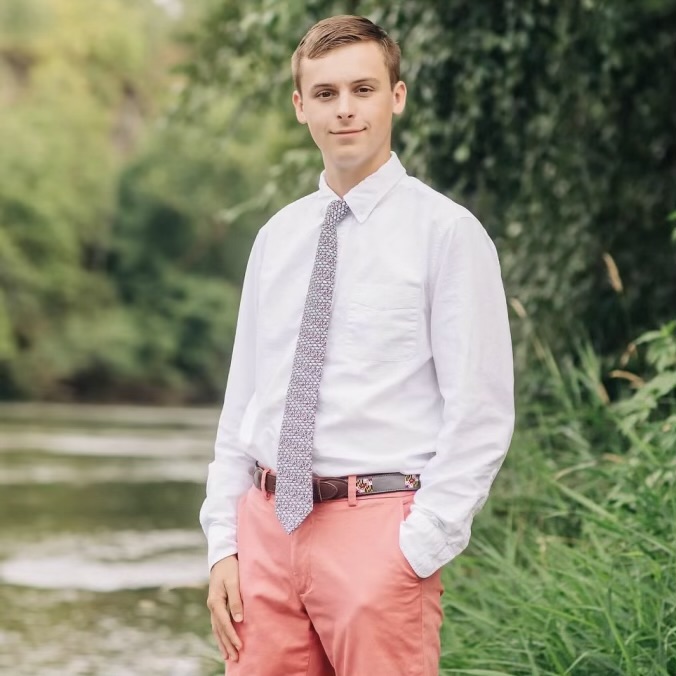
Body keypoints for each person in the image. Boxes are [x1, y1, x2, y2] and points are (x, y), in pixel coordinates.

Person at [200, 14, 515, 676]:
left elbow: (481, 412)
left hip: (377, 534)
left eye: (362, 89)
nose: (344, 109)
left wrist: (417, 547)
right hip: (264, 535)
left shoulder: (447, 234)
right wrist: (224, 543)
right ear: (300, 106)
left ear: (396, 97)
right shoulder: (276, 238)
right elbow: (244, 403)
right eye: (325, 93)